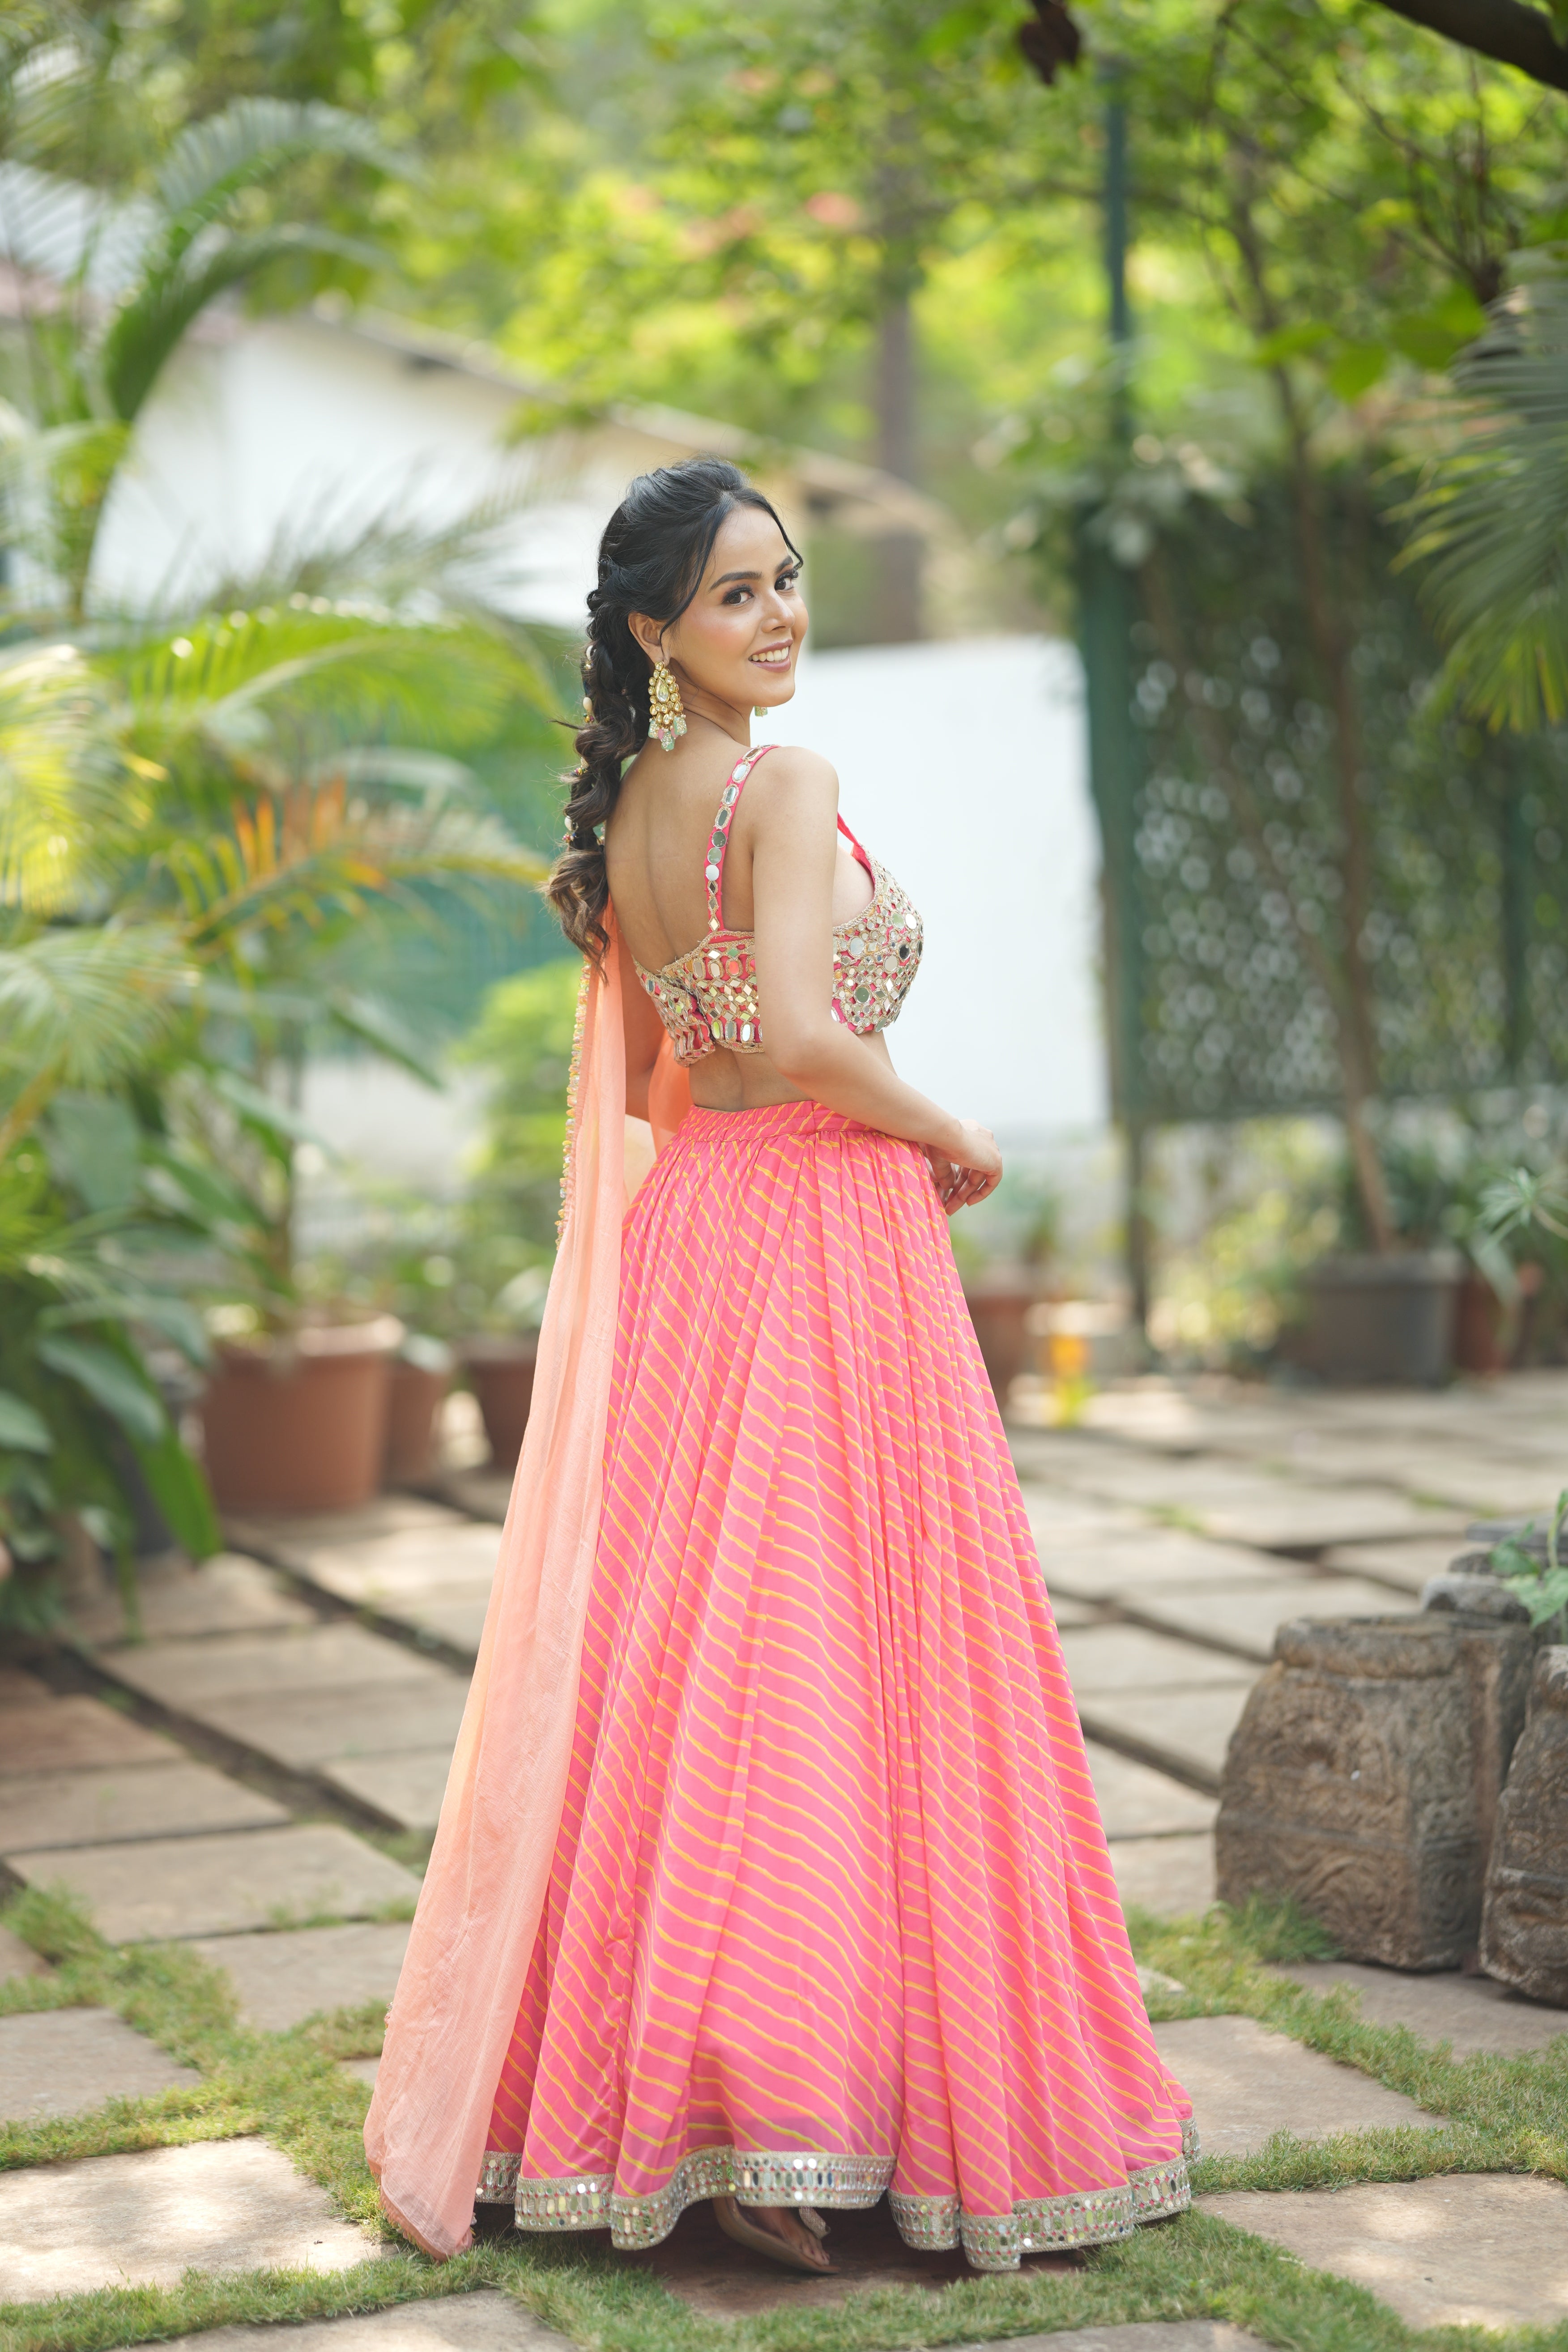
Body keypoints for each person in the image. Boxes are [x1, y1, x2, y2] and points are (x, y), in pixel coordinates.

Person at [366, 456, 1193, 2278]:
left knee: (694, 1671)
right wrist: (950, 1131)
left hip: (702, 1237)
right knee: (843, 1658)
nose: (782, 616)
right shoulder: (785, 781)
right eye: (737, 594)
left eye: (791, 580)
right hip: (820, 1232)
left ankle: (672, 2106)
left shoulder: (636, 809)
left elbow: (684, 1071)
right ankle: (785, 2107)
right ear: (658, 630)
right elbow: (809, 1038)